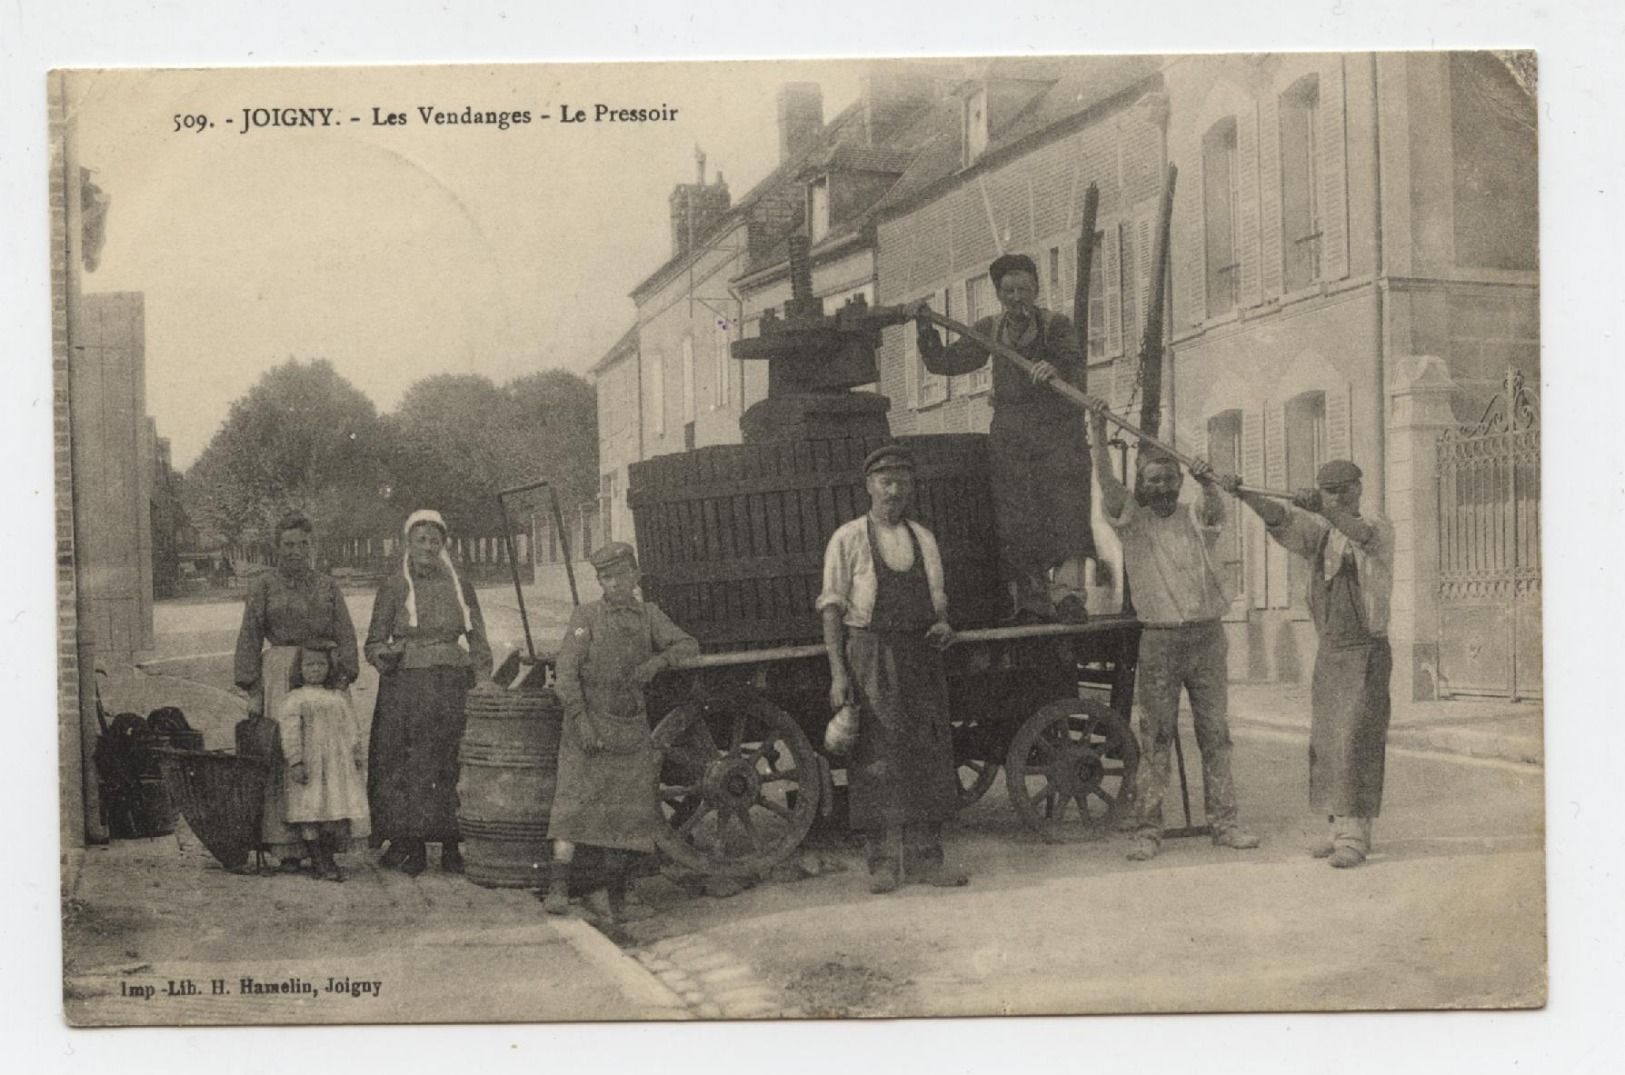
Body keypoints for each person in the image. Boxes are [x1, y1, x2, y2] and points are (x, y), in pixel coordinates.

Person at [1089, 407, 1260, 861]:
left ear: (1179, 482)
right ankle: (1148, 829)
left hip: (1206, 638)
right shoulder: (1131, 523)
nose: (1162, 487)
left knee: (1215, 734)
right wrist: (1097, 429)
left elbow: (1215, 507)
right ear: (1141, 486)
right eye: (1153, 481)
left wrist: (1206, 479)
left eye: (1170, 479)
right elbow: (1107, 486)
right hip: (1160, 642)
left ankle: (1225, 823)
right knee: (1156, 736)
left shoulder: (1196, 515)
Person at [1224, 461, 1395, 869]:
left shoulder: (1377, 527)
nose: (1339, 497)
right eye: (1329, 490)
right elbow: (1281, 519)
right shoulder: (1319, 535)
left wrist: (1322, 507)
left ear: (1359, 488)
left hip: (1365, 651)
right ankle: (1338, 830)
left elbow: (1360, 533)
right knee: (1329, 745)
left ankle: (1356, 837)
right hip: (1330, 652)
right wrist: (1243, 493)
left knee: (1357, 742)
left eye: (1344, 490)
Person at [818, 445, 968, 894]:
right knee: (878, 759)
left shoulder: (923, 537)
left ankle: (926, 860)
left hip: (921, 655)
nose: (895, 490)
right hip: (870, 654)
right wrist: (839, 673)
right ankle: (882, 864)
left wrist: (943, 625)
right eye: (886, 481)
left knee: (927, 754)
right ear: (869, 486)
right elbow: (831, 610)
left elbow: (937, 599)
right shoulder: (847, 538)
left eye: (903, 481)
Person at [916, 253, 1094, 624]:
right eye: (1008, 290)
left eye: (1024, 289)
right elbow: (945, 364)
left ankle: (1069, 596)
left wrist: (1054, 367)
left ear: (1036, 290)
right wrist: (925, 328)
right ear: (998, 294)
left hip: (1058, 433)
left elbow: (1075, 365)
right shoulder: (991, 329)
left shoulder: (1056, 326)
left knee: (1066, 508)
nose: (1016, 297)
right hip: (1012, 436)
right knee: (1017, 515)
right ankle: (1031, 599)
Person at [541, 542, 699, 922]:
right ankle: (559, 886)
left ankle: (619, 889)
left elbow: (688, 645)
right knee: (573, 806)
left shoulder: (649, 615)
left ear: (635, 577)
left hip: (630, 726)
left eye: (620, 576)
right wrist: (581, 722)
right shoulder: (586, 616)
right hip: (588, 724)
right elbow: (565, 673)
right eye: (605, 577)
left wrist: (657, 662)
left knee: (629, 813)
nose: (613, 584)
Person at [364, 510, 494, 877]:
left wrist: (482, 676)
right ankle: (412, 844)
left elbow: (478, 636)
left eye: (434, 541)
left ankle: (454, 845)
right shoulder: (393, 586)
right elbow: (373, 641)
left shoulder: (460, 585)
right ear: (408, 544)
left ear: (443, 545)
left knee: (452, 760)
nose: (427, 547)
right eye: (420, 540)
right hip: (406, 686)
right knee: (406, 764)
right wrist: (385, 655)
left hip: (453, 682)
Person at [233, 512, 359, 874]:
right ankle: (287, 845)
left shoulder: (327, 586)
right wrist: (252, 688)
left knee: (326, 755)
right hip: (279, 675)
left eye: (303, 544)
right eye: (288, 544)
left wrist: (344, 673)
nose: (296, 551)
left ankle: (328, 840)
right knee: (286, 754)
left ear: (312, 547)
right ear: (277, 547)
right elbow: (249, 636)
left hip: (323, 673)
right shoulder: (264, 586)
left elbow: (346, 632)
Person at [274, 641, 370, 882]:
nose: (315, 669)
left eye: (321, 664)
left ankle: (328, 857)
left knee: (331, 810)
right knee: (310, 810)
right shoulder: (295, 699)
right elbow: (290, 732)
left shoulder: (337, 697)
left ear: (330, 667)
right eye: (309, 665)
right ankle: (318, 860)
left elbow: (350, 727)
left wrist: (356, 752)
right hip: (311, 764)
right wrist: (295, 761)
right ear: (300, 668)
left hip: (336, 764)